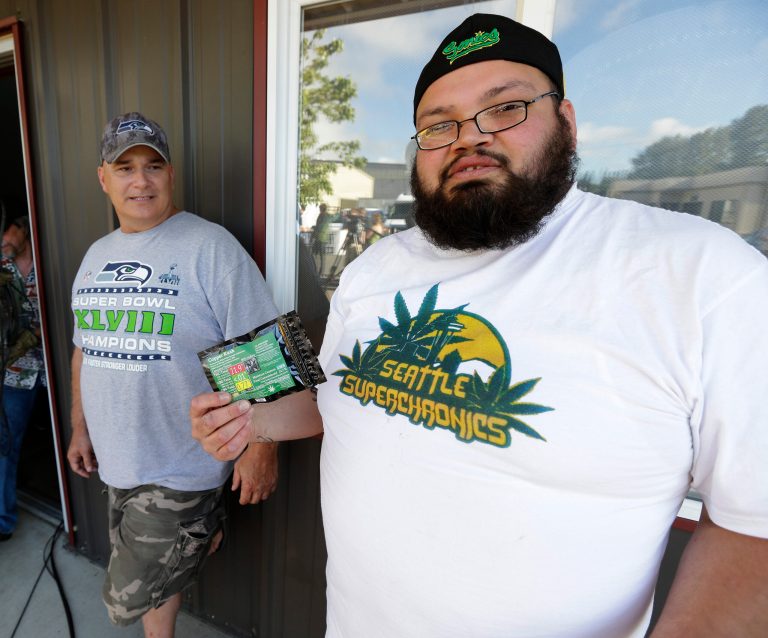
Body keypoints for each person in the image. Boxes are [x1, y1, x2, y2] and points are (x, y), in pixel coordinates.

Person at [190, 14, 768, 638]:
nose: (469, 139)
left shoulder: (699, 272)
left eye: (505, 108)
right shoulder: (377, 266)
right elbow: (341, 399)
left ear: (567, 123)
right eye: (440, 125)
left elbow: (754, 522)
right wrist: (247, 418)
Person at [65, 112, 280, 637]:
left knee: (127, 600)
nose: (140, 181)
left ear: (171, 174)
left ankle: (199, 533)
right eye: (125, 168)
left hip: (183, 464)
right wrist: (80, 426)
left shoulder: (210, 248)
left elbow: (264, 354)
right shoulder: (96, 256)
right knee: (158, 574)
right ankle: (201, 536)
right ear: (103, 178)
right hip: (120, 459)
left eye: (153, 166)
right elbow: (83, 350)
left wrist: (262, 447)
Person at [0, 215, 45, 542]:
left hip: (57, 372)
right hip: (15, 375)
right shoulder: (2, 267)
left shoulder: (48, 257)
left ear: (22, 227)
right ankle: (3, 521)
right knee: (6, 445)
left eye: (5, 231)